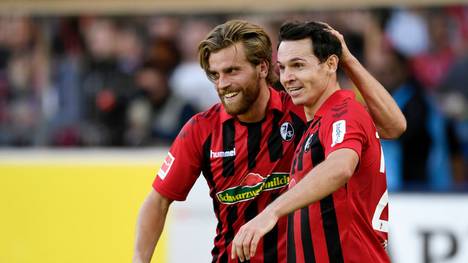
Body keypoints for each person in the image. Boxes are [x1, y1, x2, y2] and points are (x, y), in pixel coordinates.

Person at [133, 20, 405, 263]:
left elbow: (389, 128)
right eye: (215, 75)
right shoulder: (201, 129)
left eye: (232, 71)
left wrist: (346, 59)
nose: (222, 84)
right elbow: (157, 201)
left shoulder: (304, 108)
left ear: (262, 68)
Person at [231, 21, 390, 262]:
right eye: (282, 68)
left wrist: (270, 213)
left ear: (331, 64)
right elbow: (395, 125)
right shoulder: (317, 122)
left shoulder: (343, 113)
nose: (287, 78)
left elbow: (340, 167)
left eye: (298, 66)